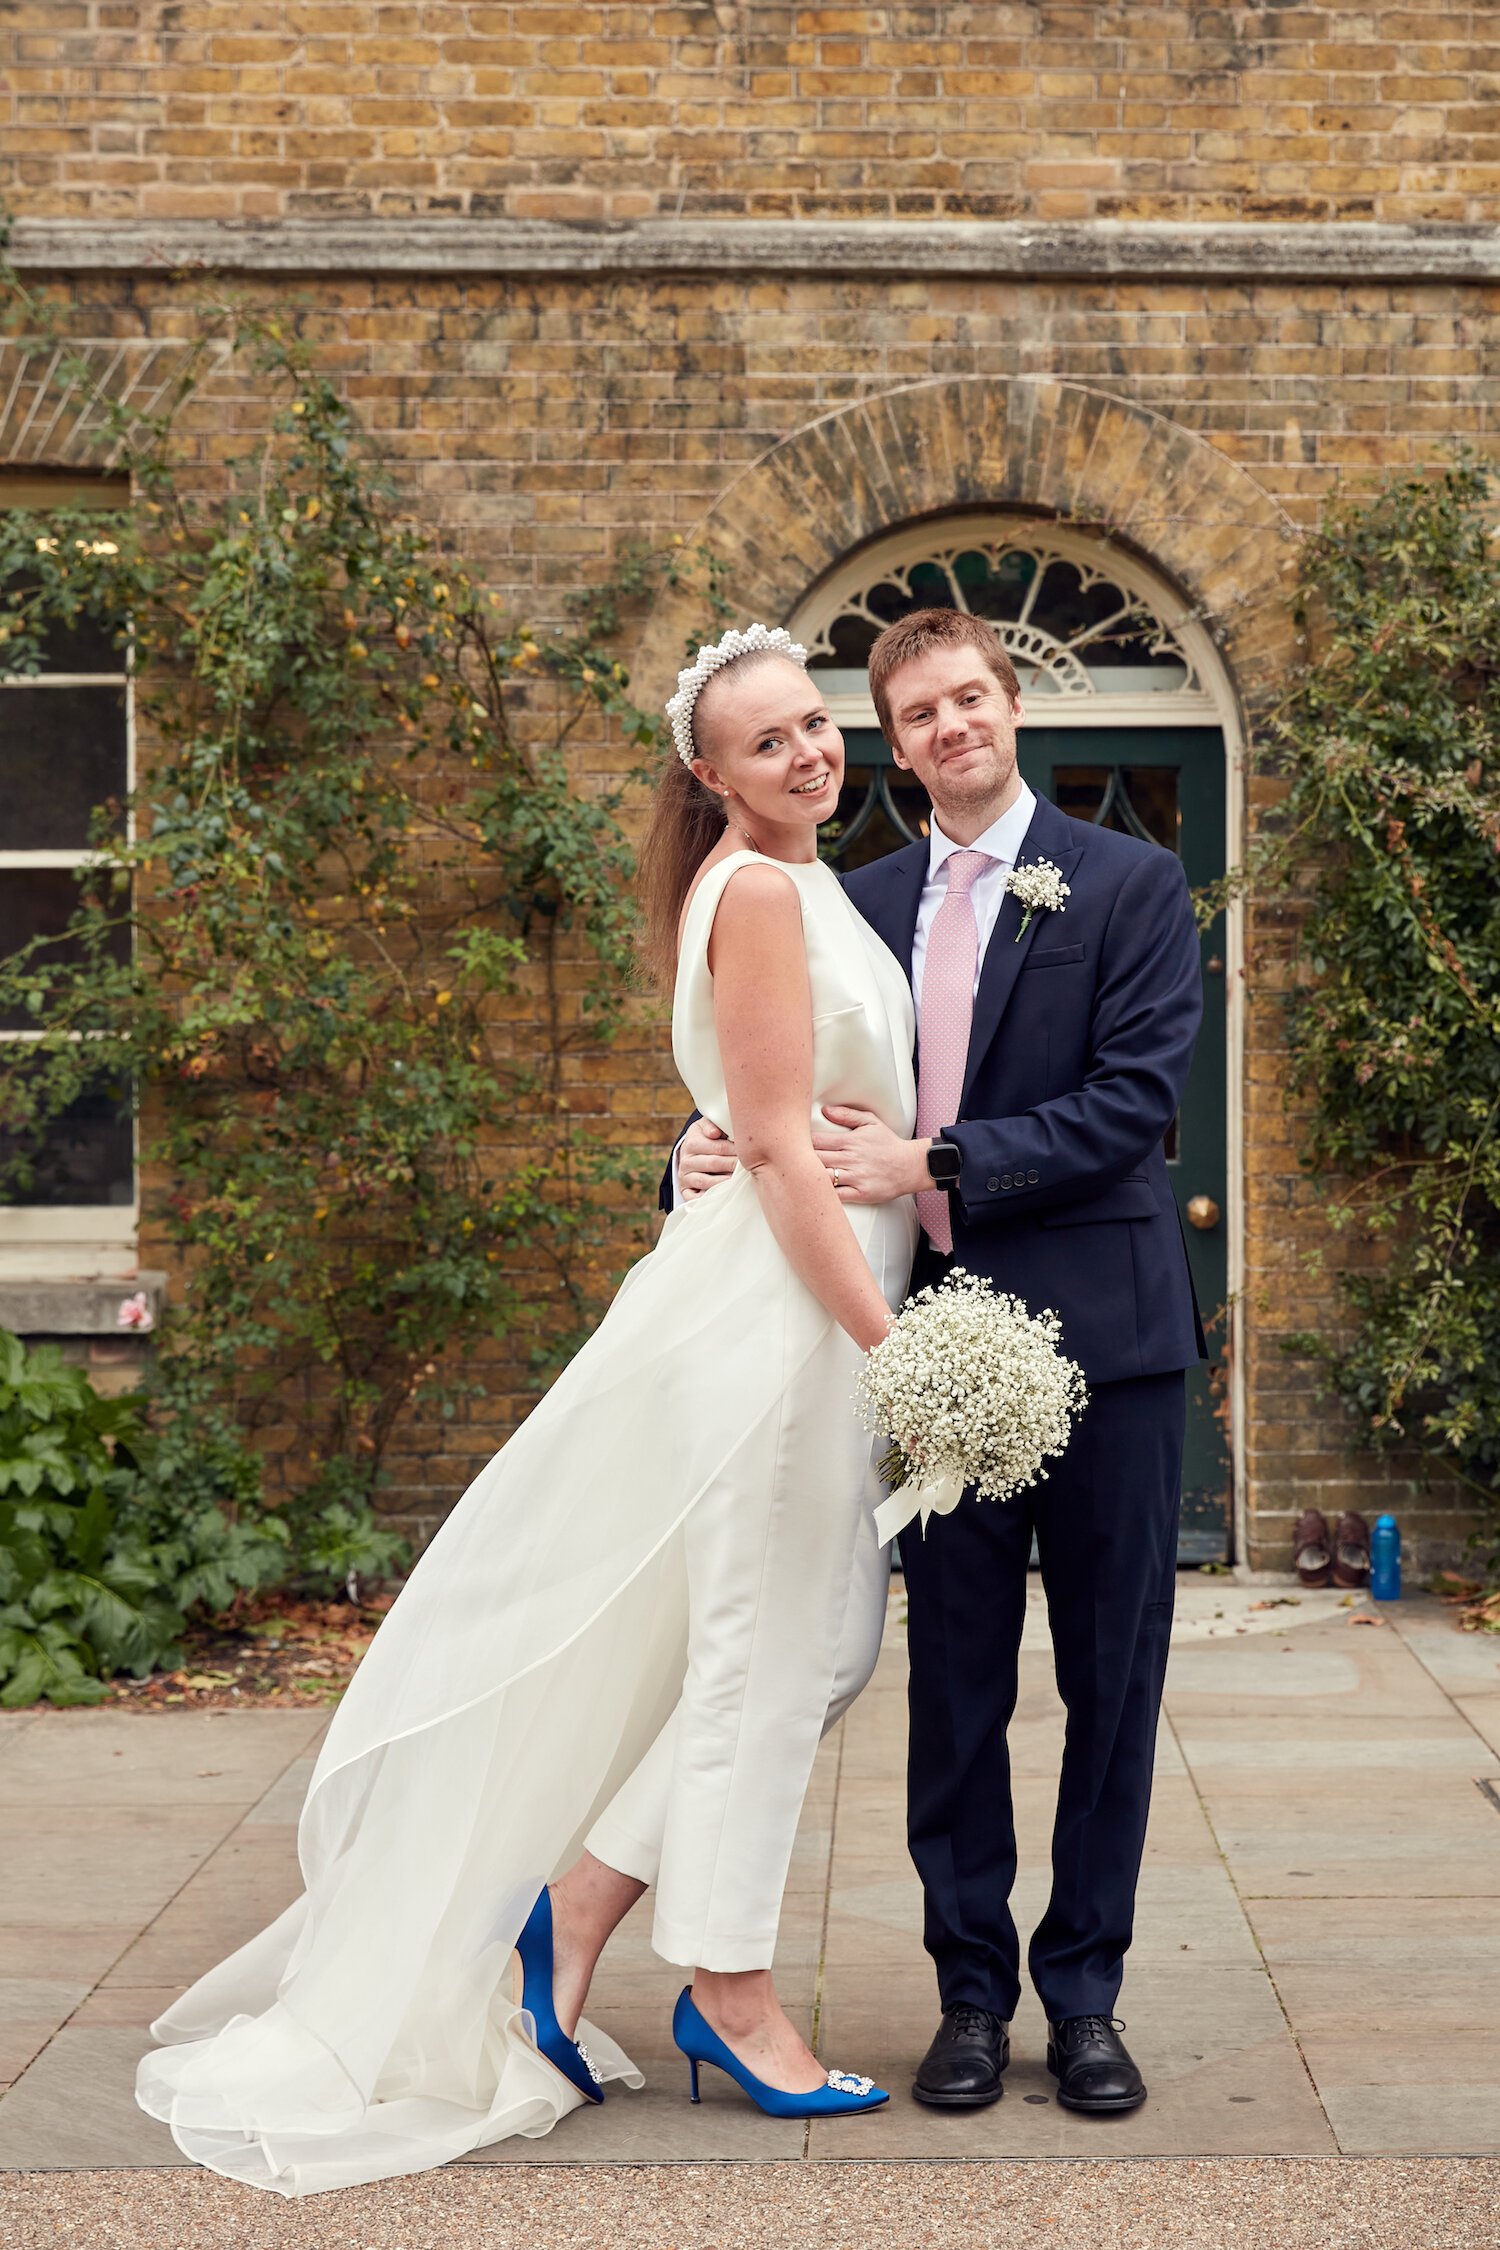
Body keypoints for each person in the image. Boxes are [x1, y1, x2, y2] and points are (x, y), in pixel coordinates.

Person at [134, 623, 920, 2195]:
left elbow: (751, 1115)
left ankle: (569, 1914)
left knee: (812, 1643)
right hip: (786, 1317)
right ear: (710, 774)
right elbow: (770, 1145)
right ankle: (728, 1989)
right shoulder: (759, 888)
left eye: (818, 725)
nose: (811, 753)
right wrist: (886, 1341)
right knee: (766, 1661)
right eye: (769, 742)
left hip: (798, 1299)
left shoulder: (800, 875)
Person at [674, 606, 1205, 2116]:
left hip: (1110, 1346)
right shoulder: (851, 896)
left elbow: (1133, 1104)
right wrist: (697, 1148)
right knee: (954, 1688)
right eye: (918, 710)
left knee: (1111, 1683)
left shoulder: (1134, 880)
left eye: (970, 695)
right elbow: (779, 1081)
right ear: (894, 741)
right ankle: (969, 1995)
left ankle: (1085, 1997)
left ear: (1009, 703)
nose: (949, 725)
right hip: (930, 1352)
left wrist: (935, 1154)